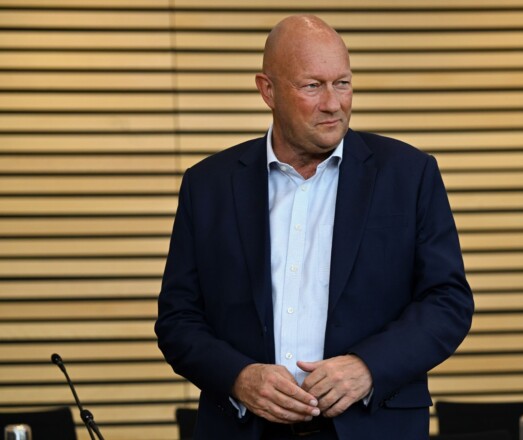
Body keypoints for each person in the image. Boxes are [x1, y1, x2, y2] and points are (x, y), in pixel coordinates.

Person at [155, 14, 474, 440]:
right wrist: (238, 377)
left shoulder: (409, 174)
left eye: (342, 83)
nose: (333, 103)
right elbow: (178, 320)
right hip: (245, 429)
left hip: (373, 426)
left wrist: (368, 367)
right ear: (267, 90)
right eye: (312, 86)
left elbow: (448, 302)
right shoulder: (208, 185)